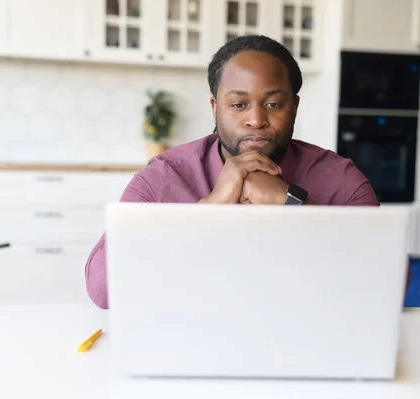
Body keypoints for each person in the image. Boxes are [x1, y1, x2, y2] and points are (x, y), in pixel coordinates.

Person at [85, 35, 380, 309]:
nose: (256, 119)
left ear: (294, 107)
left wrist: (292, 202)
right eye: (238, 104)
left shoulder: (339, 178)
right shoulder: (165, 176)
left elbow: (387, 282)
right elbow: (103, 289)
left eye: (274, 104)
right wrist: (209, 210)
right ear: (215, 108)